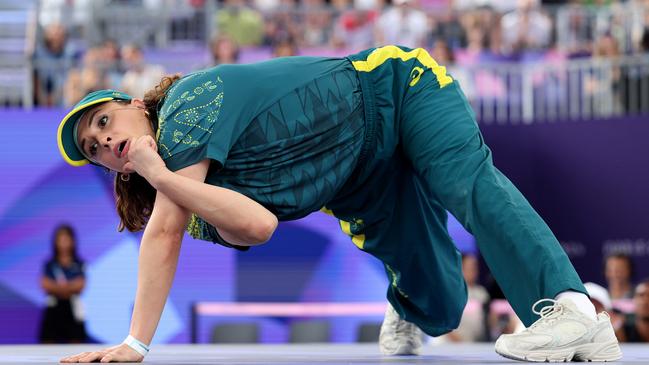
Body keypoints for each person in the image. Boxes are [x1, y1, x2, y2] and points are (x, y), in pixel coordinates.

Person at [57, 45, 621, 363]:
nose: (104, 142)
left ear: (134, 105)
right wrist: (164, 181)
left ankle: (572, 311)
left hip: (395, 93)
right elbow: (257, 226)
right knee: (442, 307)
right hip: (358, 183)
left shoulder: (183, 104)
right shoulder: (183, 194)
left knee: (467, 183)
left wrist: (135, 345)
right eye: (92, 148)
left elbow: (164, 234)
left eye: (104, 122)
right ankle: (406, 300)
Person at [39, 224, 88, 344]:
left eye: (67, 239)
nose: (64, 243)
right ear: (55, 242)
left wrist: (57, 288)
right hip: (54, 308)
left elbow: (81, 285)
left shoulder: (79, 264)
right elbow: (45, 284)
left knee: (76, 344)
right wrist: (69, 288)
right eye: (60, 240)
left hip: (73, 309)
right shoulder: (49, 264)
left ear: (73, 241)